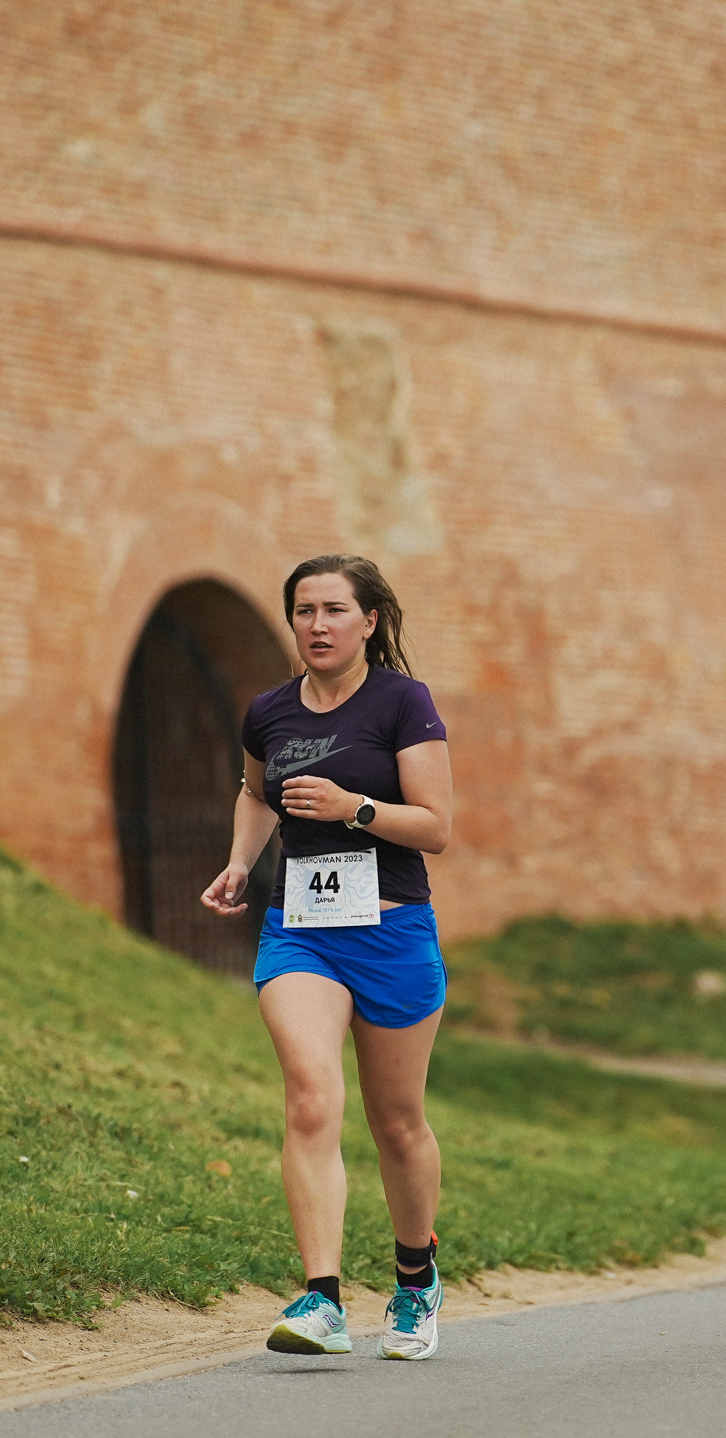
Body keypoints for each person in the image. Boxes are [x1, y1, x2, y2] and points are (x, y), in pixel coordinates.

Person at [200, 554, 454, 1360]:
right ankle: (322, 1299)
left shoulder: (401, 703)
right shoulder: (269, 712)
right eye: (304, 610)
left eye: (335, 610)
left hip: (392, 931)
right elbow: (253, 791)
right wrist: (241, 861)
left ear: (369, 621)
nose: (317, 625)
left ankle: (416, 1282)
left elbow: (436, 827)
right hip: (302, 931)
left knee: (398, 1122)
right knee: (311, 1098)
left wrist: (356, 808)